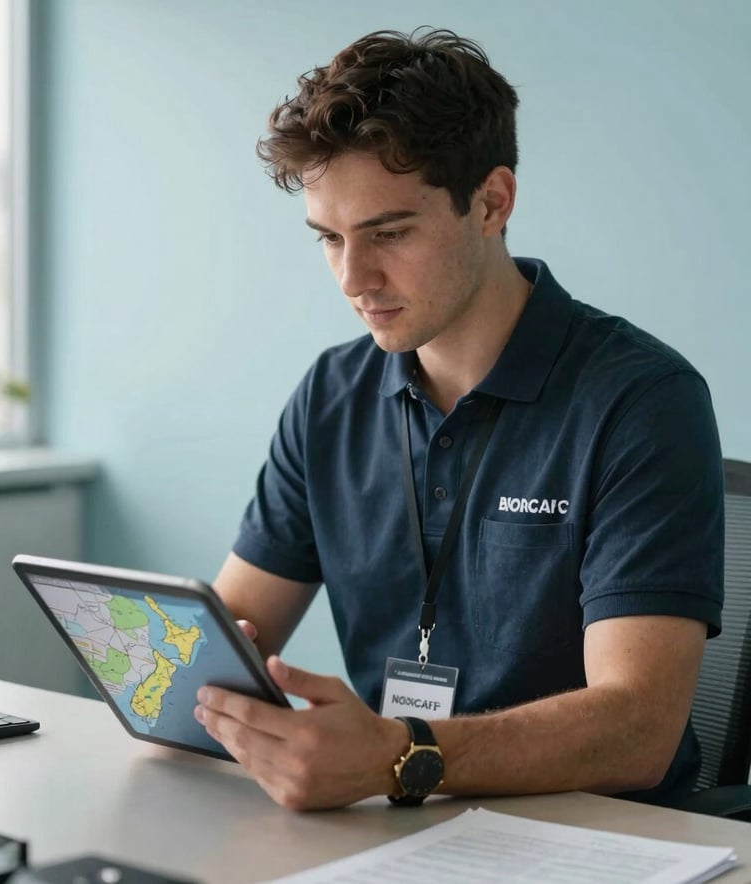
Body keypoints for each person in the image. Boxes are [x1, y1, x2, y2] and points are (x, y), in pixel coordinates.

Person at [193, 27, 724, 811]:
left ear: (492, 201)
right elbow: (228, 639)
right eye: (330, 239)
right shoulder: (332, 394)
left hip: (604, 840)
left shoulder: (641, 399)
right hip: (401, 829)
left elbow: (639, 728)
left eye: (390, 233)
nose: (353, 277)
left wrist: (401, 757)